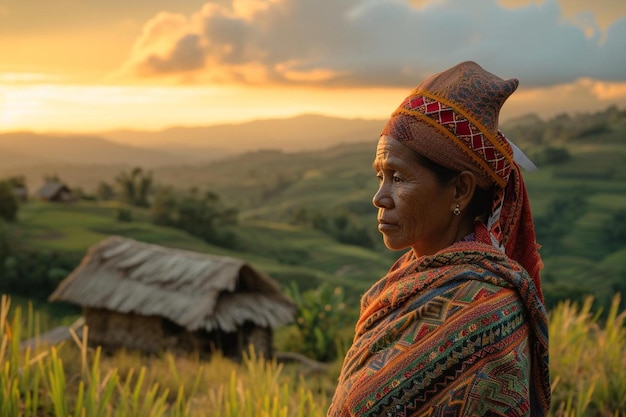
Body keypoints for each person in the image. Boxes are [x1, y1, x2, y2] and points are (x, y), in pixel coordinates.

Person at [327, 61, 550, 417]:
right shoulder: (402, 283)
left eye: (398, 178)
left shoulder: (487, 312)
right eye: (379, 176)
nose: (380, 197)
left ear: (459, 189)